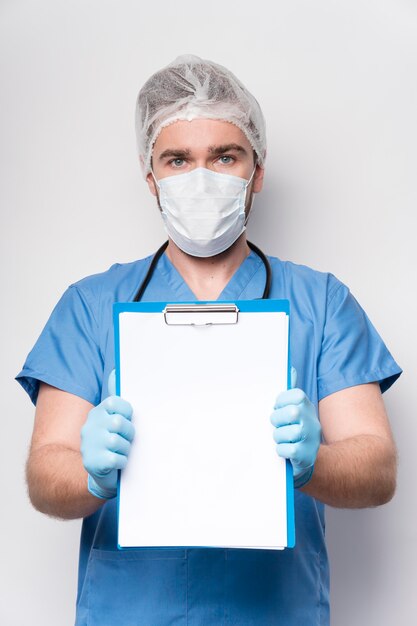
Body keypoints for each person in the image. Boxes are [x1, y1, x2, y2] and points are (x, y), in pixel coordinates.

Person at [16, 54, 401, 625]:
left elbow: (378, 470)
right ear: (151, 178)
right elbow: (48, 475)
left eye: (225, 156)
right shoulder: (90, 306)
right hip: (131, 610)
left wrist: (313, 461)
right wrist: (92, 475)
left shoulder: (321, 302)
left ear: (257, 171)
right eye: (178, 159)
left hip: (278, 612)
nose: (202, 178)